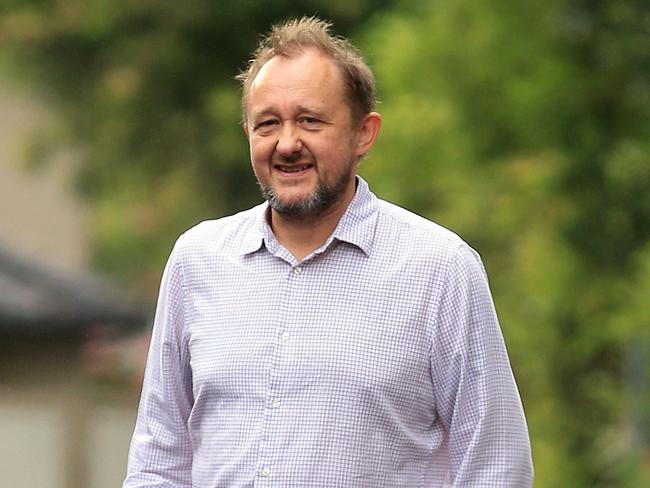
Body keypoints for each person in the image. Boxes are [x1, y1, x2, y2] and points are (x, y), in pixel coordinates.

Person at [123, 16, 533, 488]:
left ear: (365, 133)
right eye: (268, 124)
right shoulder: (196, 261)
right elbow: (159, 460)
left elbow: (495, 465)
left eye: (310, 121)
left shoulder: (439, 269)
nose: (288, 143)